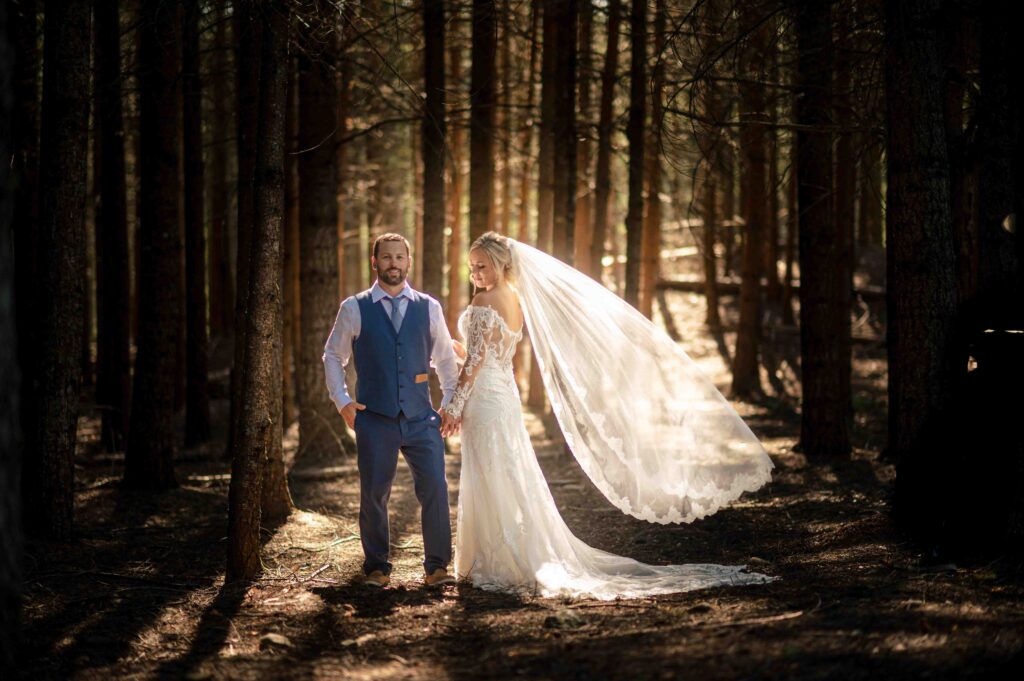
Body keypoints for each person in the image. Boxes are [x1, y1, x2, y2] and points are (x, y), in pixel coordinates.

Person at [440, 232, 776, 600]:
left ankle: (494, 559)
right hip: (503, 398)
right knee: (505, 471)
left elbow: (474, 363)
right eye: (472, 267)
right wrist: (461, 353)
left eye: (482, 266)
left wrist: (453, 405)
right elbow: (488, 354)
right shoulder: (515, 299)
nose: (476, 273)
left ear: (502, 264)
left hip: (485, 401)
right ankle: (502, 555)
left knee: (490, 472)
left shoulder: (484, 301)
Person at [323, 233, 460, 588]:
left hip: (421, 418)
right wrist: (342, 401)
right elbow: (333, 356)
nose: (393, 264)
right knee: (374, 493)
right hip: (374, 418)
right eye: (386, 257)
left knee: (434, 488)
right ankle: (377, 567)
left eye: (400, 257)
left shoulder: (428, 307)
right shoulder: (354, 307)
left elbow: (445, 358)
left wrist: (449, 403)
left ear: (408, 262)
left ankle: (437, 566)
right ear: (375, 262)